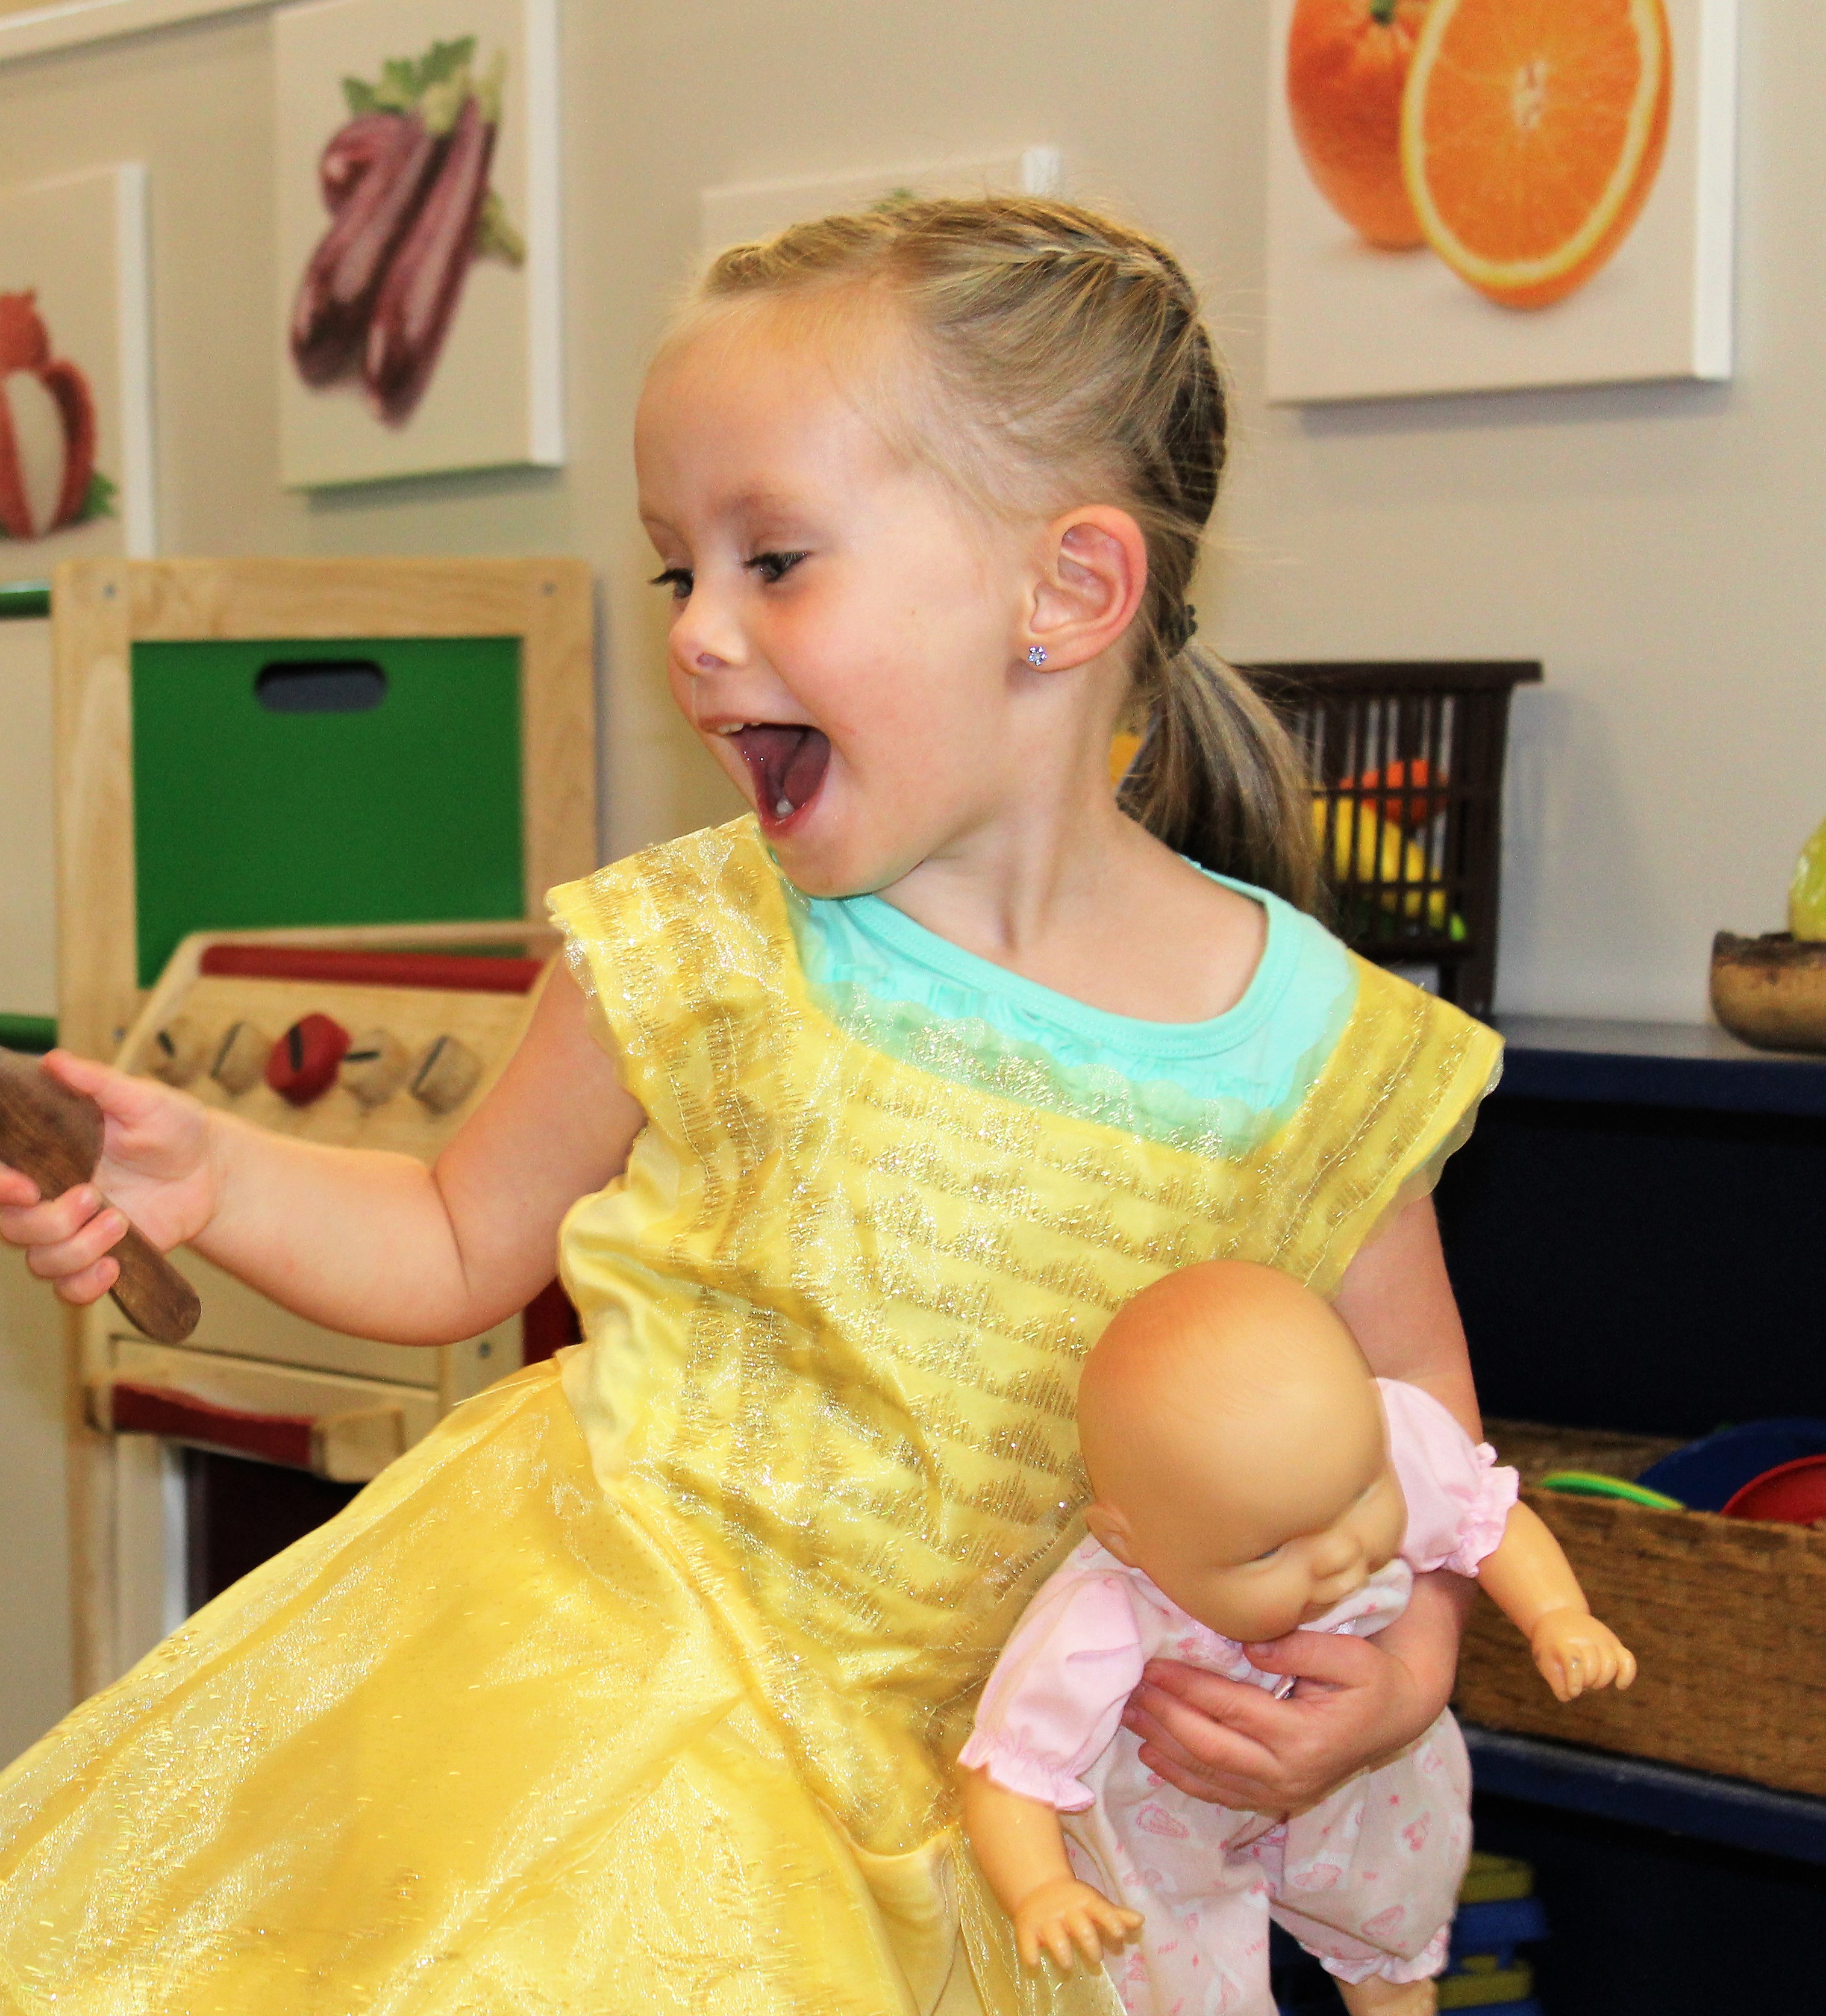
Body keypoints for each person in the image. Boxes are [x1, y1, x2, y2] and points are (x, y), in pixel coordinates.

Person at [0, 196, 1503, 2015]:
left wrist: (1405, 1668)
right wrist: (216, 1173)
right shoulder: (700, 943)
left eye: (772, 560)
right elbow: (455, 1237)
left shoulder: (1316, 1051)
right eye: (674, 572)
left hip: (990, 1832)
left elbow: (1420, 1434)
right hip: (601, 1725)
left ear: (1066, 591)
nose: (700, 633)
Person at [960, 1259, 1634, 2015]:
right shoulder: (1100, 1616)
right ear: (1128, 1540)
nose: (1341, 1555)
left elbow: (1487, 1519)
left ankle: (1390, 1987)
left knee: (1394, 1849)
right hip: (1167, 1801)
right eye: (1269, 1551)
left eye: (1360, 1492)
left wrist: (1556, 1613)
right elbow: (1011, 1769)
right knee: (1157, 1939)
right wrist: (1041, 1887)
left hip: (1361, 1745)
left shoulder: (1371, 1446)